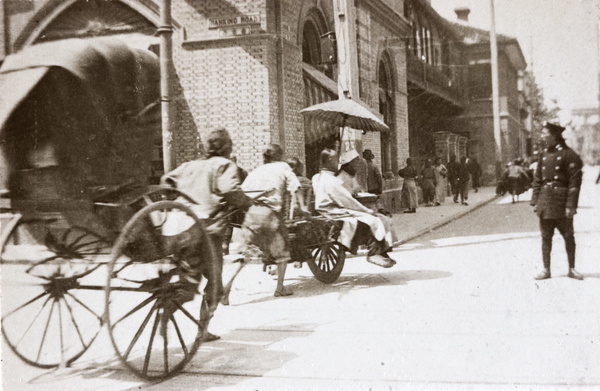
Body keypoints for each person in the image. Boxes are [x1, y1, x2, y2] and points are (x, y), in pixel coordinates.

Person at [161, 127, 252, 341]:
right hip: (205, 234)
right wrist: (248, 203)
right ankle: (202, 329)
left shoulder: (188, 166)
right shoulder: (224, 165)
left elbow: (166, 182)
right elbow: (231, 192)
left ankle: (171, 304)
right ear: (228, 148)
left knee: (188, 278)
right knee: (215, 285)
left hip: (176, 228)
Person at [239, 144, 306, 297]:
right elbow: (296, 187)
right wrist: (303, 207)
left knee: (245, 253)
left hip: (252, 213)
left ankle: (226, 290)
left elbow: (241, 193)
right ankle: (280, 288)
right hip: (270, 216)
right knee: (283, 252)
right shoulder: (283, 167)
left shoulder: (257, 170)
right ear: (280, 156)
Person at [312, 148, 396, 268]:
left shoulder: (316, 177)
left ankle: (382, 251)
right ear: (330, 160)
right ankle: (373, 253)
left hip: (325, 210)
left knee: (374, 218)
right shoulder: (332, 180)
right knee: (373, 220)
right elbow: (347, 201)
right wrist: (366, 210)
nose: (338, 163)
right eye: (336, 159)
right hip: (334, 211)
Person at [531, 122, 584, 280]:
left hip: (562, 203)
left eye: (545, 135)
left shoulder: (570, 155)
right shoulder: (543, 154)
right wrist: (536, 201)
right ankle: (546, 269)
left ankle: (572, 269)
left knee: (568, 235)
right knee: (546, 237)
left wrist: (570, 205)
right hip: (546, 202)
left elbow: (574, 183)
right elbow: (538, 179)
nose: (542, 138)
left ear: (555, 136)